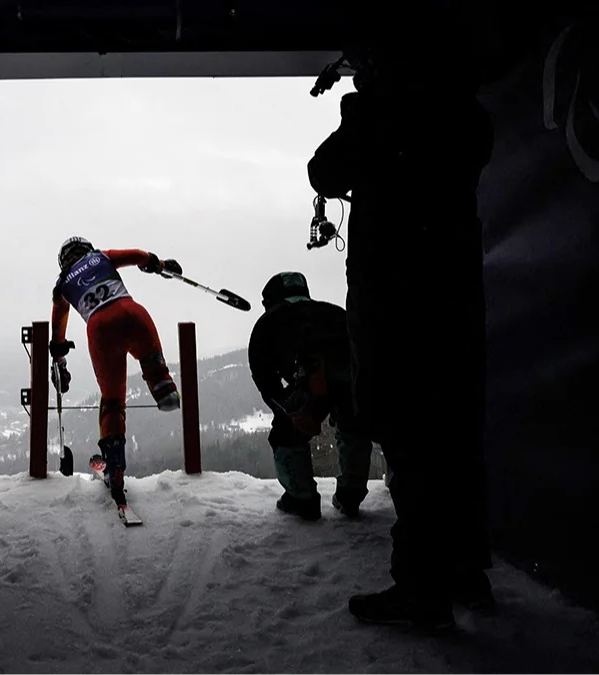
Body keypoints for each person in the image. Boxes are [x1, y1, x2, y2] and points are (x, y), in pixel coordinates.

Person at [307, 16, 495, 629]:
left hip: (396, 305)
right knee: (453, 437)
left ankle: (421, 590)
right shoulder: (462, 114)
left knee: (412, 441)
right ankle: (466, 570)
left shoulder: (385, 118)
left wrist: (362, 107)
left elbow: (325, 172)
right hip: (453, 300)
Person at [49, 237, 182, 506]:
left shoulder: (62, 285)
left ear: (63, 260)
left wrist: (60, 361)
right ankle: (163, 385)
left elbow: (58, 330)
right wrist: (158, 263)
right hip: (133, 312)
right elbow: (135, 255)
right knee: (153, 363)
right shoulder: (102, 256)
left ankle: (115, 469)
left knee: (112, 400)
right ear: (86, 249)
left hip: (100, 327)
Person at [247, 272, 373, 521]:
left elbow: (264, 376)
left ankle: (302, 498)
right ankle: (351, 495)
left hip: (306, 379)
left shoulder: (269, 321)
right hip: (351, 376)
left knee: (287, 435)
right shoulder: (334, 313)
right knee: (353, 429)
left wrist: (290, 409)